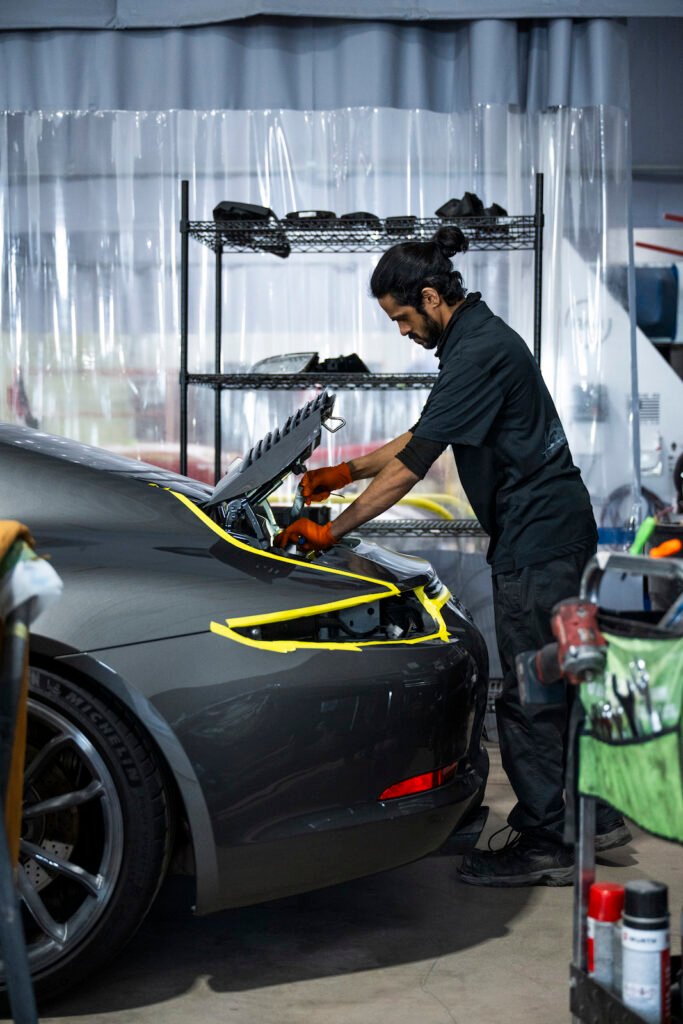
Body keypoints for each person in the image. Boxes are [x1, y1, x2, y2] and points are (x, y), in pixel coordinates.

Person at [275, 226, 630, 886]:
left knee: (529, 688)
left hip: (536, 539)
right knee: (559, 675)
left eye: (404, 318)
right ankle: (593, 812)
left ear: (432, 297)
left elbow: (412, 466)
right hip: (554, 529)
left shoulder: (477, 352)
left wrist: (334, 528)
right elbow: (421, 433)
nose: (402, 332)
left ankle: (548, 838)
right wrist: (340, 471)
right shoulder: (475, 341)